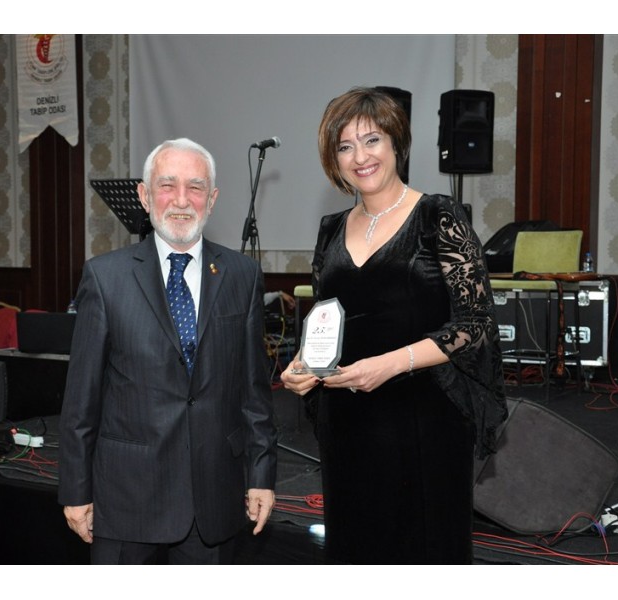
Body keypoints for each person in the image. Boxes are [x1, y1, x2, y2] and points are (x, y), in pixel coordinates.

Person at [280, 87, 507, 564]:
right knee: (355, 547)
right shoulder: (330, 229)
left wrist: (389, 364)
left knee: (424, 549)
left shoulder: (438, 215)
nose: (360, 157)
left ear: (396, 143)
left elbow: (476, 323)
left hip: (425, 417)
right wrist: (302, 363)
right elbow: (327, 321)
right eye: (345, 146)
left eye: (372, 140)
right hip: (347, 419)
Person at [58, 137, 278, 564]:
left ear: (212, 199)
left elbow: (254, 393)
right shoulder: (105, 278)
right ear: (144, 195)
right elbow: (81, 399)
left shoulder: (242, 275)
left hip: (213, 497)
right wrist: (75, 489)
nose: (181, 200)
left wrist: (261, 475)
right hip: (125, 498)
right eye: (167, 185)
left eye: (195, 187)